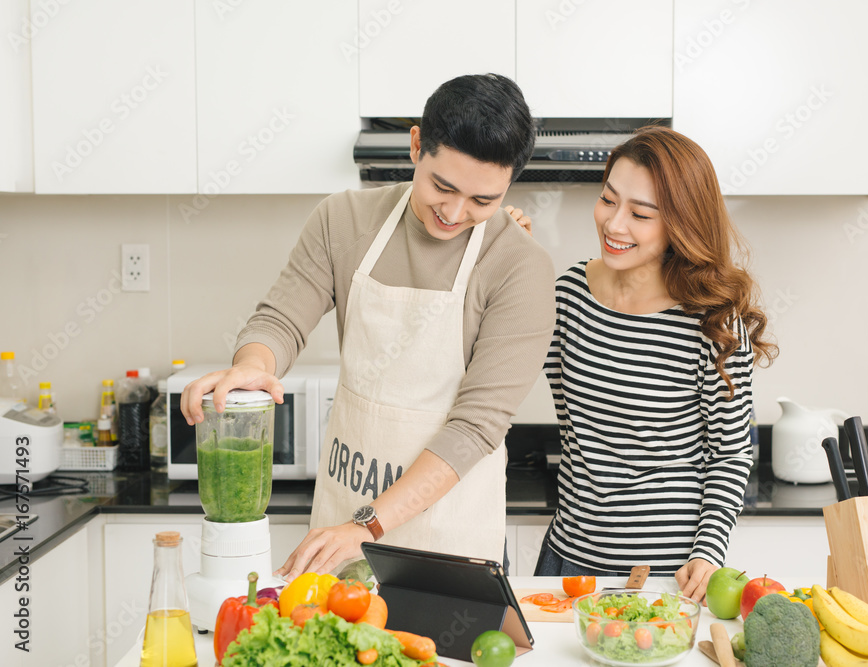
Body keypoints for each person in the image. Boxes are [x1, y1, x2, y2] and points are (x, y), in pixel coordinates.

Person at [180, 73, 555, 578]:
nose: (454, 212)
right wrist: (252, 365)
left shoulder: (519, 266)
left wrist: (368, 526)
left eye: (482, 201)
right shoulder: (344, 220)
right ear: (417, 144)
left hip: (446, 536)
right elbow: (282, 318)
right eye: (442, 186)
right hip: (342, 519)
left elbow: (476, 426)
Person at [534, 126, 778, 603]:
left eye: (640, 214)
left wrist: (708, 554)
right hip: (568, 562)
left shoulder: (713, 322)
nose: (614, 224)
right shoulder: (569, 295)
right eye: (608, 199)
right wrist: (505, 255)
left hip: (668, 577)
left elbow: (730, 454)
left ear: (680, 225)